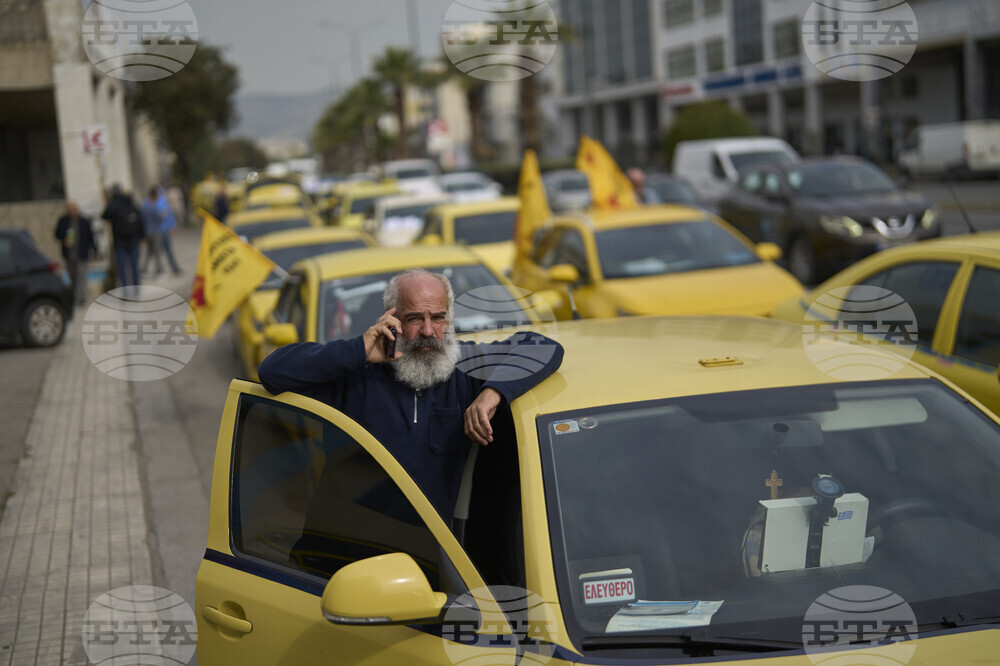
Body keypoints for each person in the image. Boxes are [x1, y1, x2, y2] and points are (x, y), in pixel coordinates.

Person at [258, 269, 564, 520]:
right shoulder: (354, 376)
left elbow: (543, 347)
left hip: (425, 566)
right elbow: (272, 371)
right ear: (393, 319)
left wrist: (492, 392)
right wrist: (358, 351)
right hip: (342, 559)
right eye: (416, 318)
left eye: (439, 318)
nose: (429, 331)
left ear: (450, 319)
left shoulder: (465, 369)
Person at [54, 200, 97, 306]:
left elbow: (90, 237)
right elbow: (56, 234)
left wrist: (95, 250)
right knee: (73, 276)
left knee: (81, 276)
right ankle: (75, 296)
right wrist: (64, 240)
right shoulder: (63, 221)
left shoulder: (83, 221)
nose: (72, 211)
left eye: (74, 208)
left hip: (82, 253)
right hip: (69, 254)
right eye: (70, 208)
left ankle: (80, 298)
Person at [102, 184, 145, 288]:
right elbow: (140, 219)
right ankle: (136, 288)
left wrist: (109, 201)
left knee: (122, 269)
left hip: (119, 242)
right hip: (133, 240)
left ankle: (125, 291)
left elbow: (104, 215)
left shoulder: (113, 204)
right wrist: (142, 236)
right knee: (134, 266)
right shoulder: (130, 202)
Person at [156, 185, 182, 275]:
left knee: (161, 251)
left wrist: (173, 226)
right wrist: (173, 226)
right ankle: (170, 268)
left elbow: (169, 215)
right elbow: (167, 215)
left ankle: (162, 269)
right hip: (161, 231)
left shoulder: (159, 201)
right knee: (165, 250)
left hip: (161, 230)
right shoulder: (162, 202)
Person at [141, 187, 164, 278]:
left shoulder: (144, 206)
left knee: (148, 253)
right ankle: (158, 271)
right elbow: (159, 219)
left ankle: (144, 270)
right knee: (157, 252)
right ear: (154, 196)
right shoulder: (153, 206)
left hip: (147, 232)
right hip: (155, 232)